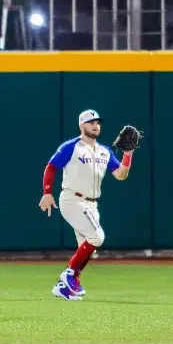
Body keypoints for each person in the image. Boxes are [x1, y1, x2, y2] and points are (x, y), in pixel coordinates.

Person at [38, 109, 134, 301]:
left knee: (88, 246)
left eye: (97, 122)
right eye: (91, 123)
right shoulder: (72, 146)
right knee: (97, 237)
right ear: (82, 126)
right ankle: (69, 274)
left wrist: (127, 154)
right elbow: (51, 166)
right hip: (73, 199)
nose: (95, 126)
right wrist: (47, 193)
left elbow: (121, 175)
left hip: (92, 204)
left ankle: (63, 288)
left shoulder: (104, 151)